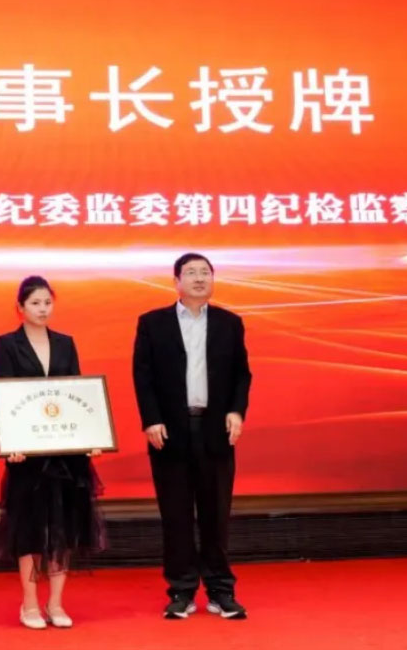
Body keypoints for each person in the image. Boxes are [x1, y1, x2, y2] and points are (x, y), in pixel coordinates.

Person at [132, 252, 251, 620]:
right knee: (176, 515)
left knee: (216, 514)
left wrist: (236, 411)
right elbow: (143, 376)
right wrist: (151, 420)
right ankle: (181, 591)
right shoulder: (153, 323)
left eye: (205, 272)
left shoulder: (230, 323)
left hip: (215, 430)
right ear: (176, 282)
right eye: (191, 273)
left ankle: (220, 590)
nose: (199, 278)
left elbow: (242, 374)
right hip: (170, 432)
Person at [0, 275, 105, 630]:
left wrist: (91, 436)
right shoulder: (6, 344)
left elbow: (76, 393)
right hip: (27, 454)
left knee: (63, 528)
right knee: (28, 529)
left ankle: (56, 603)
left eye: (47, 303)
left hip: (66, 453)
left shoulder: (66, 343)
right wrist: (12, 444)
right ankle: (29, 604)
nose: (42, 309)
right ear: (20, 308)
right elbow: (6, 396)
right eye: (35, 303)